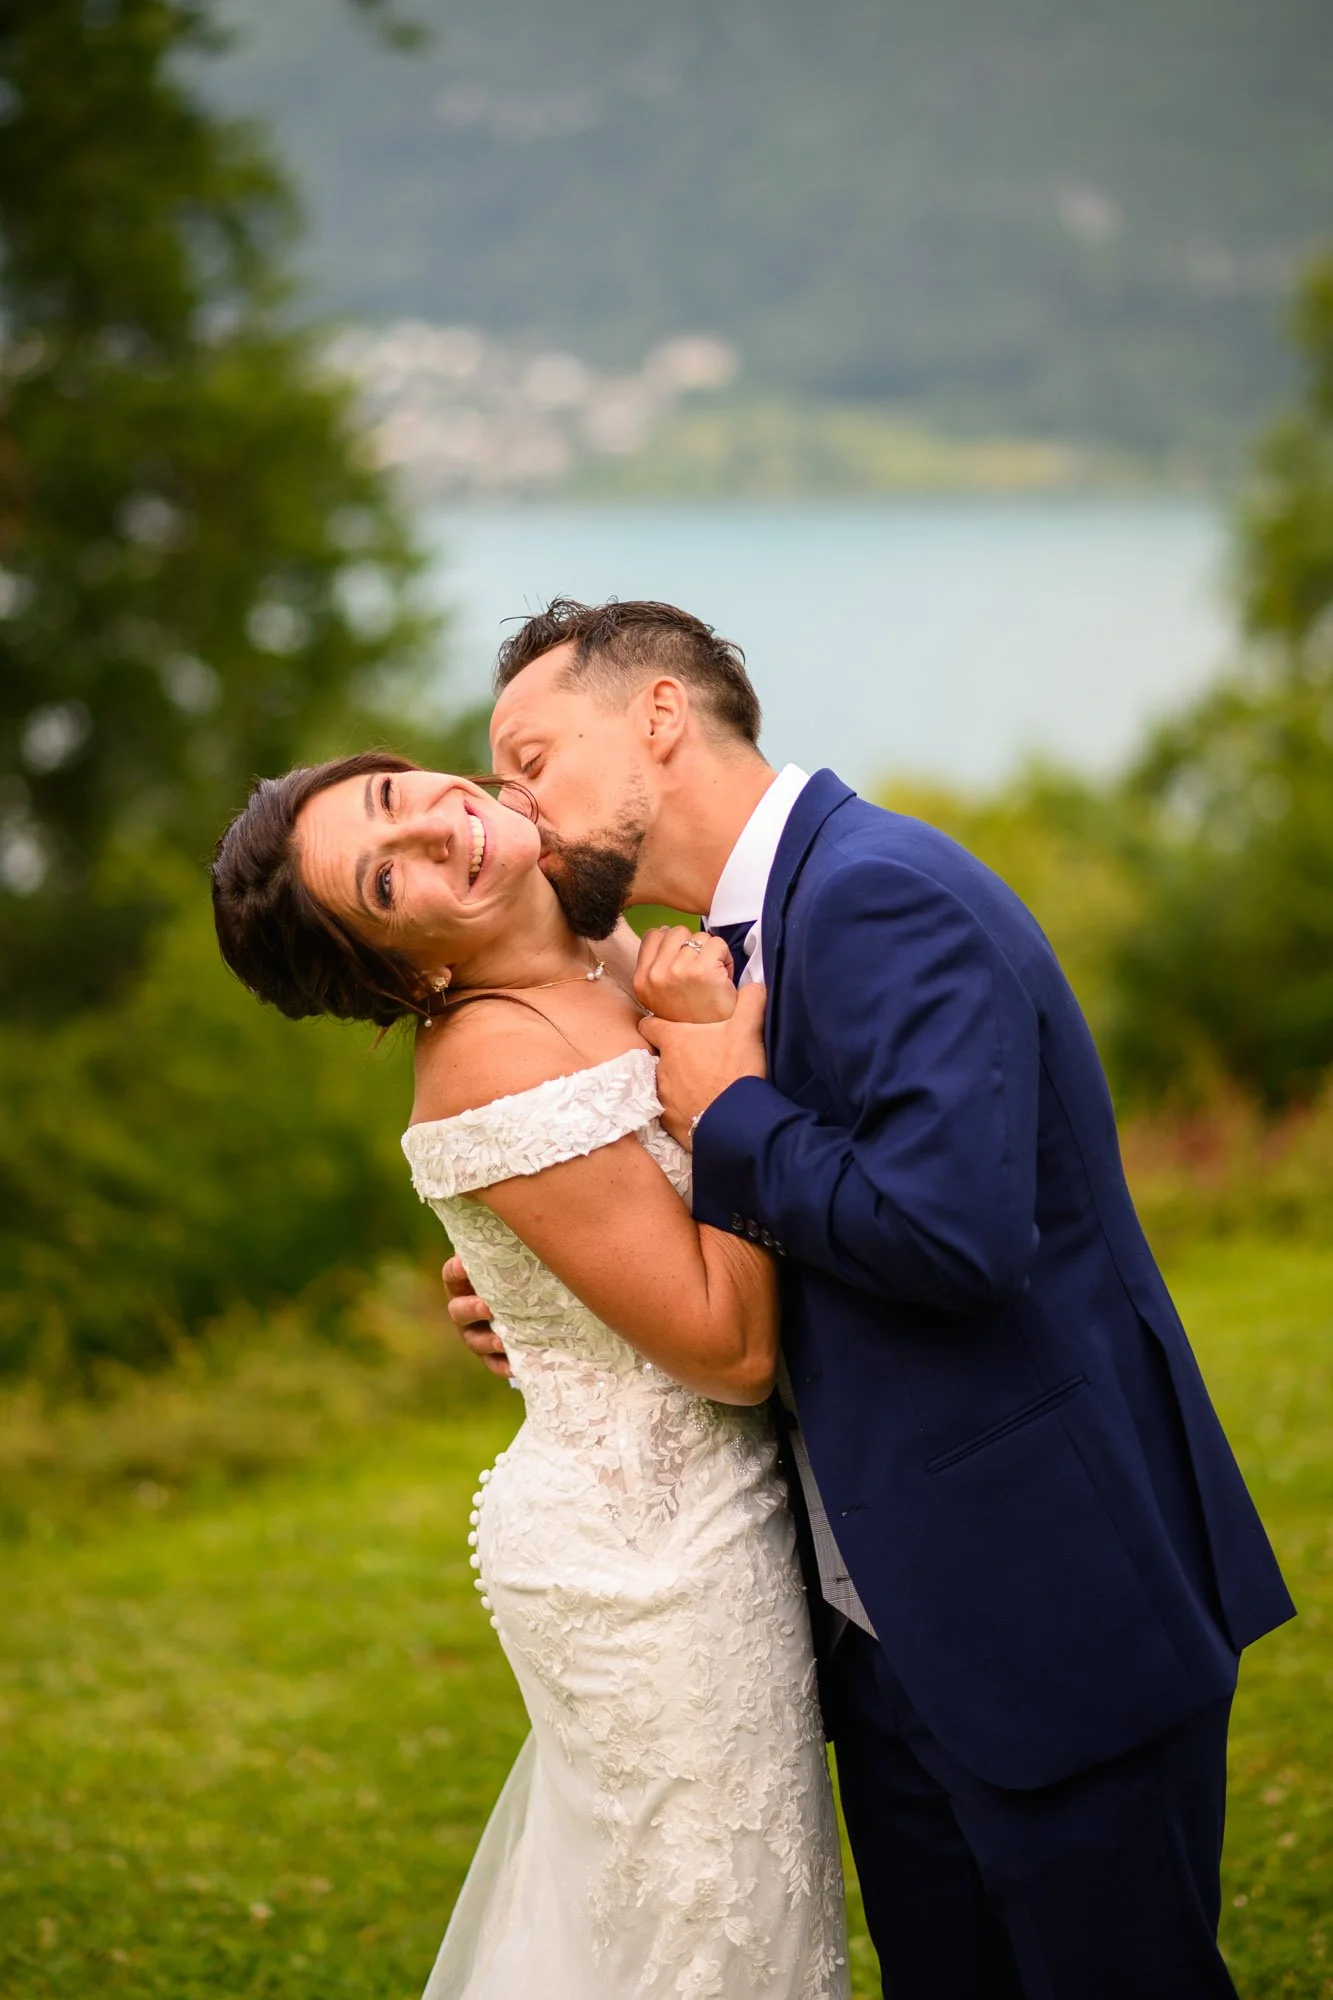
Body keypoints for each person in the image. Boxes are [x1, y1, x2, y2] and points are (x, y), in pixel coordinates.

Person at [444, 596, 1296, 2000]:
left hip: (1041, 1593)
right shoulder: (730, 940)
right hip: (883, 1629)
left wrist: (730, 1108)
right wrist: (558, 1296)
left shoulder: (874, 893)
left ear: (659, 714)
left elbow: (957, 1237)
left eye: (530, 760)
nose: (516, 812)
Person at [210, 752, 850, 2000]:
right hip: (651, 1560)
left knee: (723, 1919)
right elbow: (729, 1349)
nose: (438, 830)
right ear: (406, 971)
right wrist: (721, 1067)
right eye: (385, 879)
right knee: (709, 1942)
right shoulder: (490, 1061)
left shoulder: (603, 934)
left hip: (708, 1517)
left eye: (397, 793)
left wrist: (520, 1291)